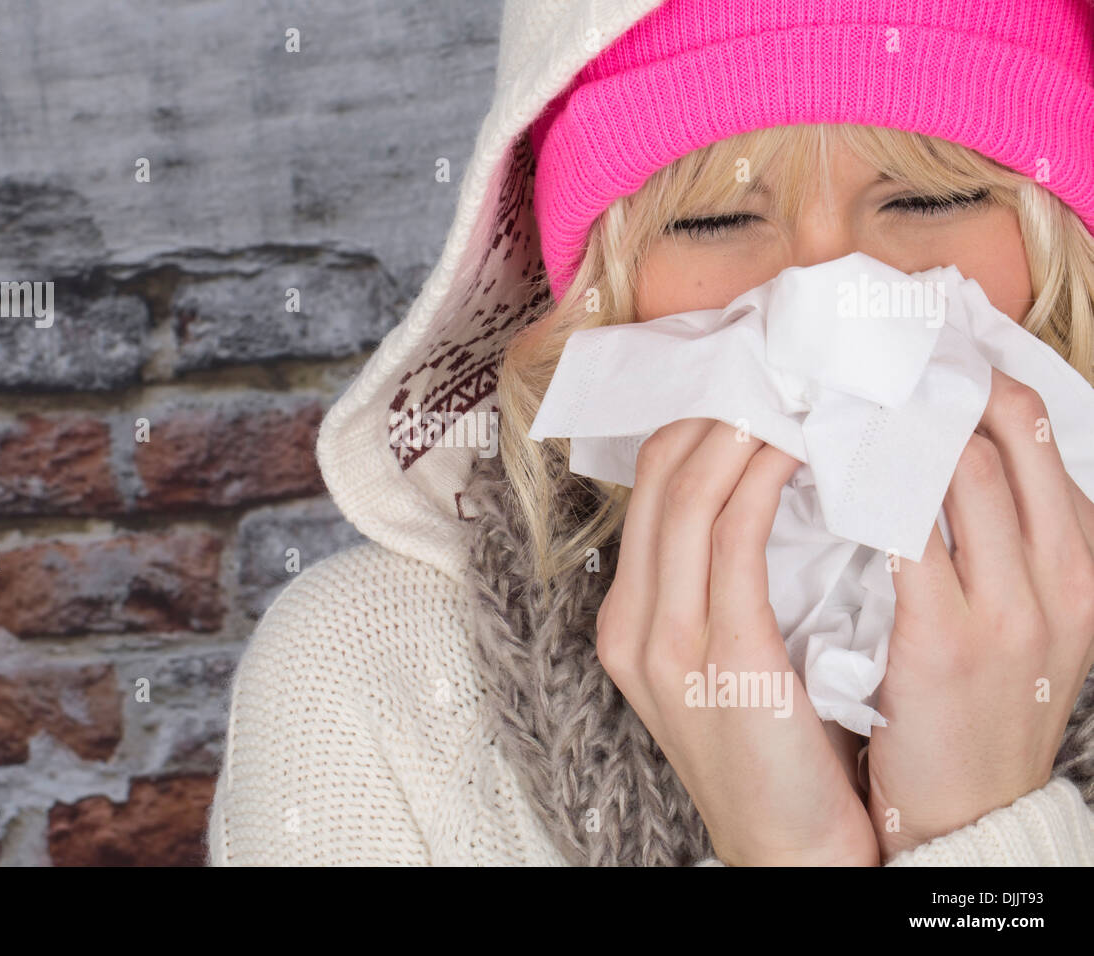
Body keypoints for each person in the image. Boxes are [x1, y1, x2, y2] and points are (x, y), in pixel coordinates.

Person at [208, 0, 1094, 865]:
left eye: (931, 200)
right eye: (714, 219)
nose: (826, 299)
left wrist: (973, 829)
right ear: (601, 293)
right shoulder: (365, 682)